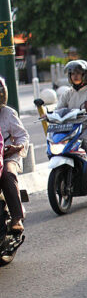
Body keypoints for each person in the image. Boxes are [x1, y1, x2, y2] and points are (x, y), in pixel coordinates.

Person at [56, 60, 87, 181]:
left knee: (84, 142)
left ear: (85, 75)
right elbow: (59, 109)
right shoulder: (68, 93)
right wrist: (48, 115)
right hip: (72, 129)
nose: (75, 76)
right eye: (72, 73)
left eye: (78, 73)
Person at [0, 76, 28, 233]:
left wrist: (17, 147)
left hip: (8, 157)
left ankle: (17, 217)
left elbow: (23, 136)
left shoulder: (8, 113)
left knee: (7, 175)